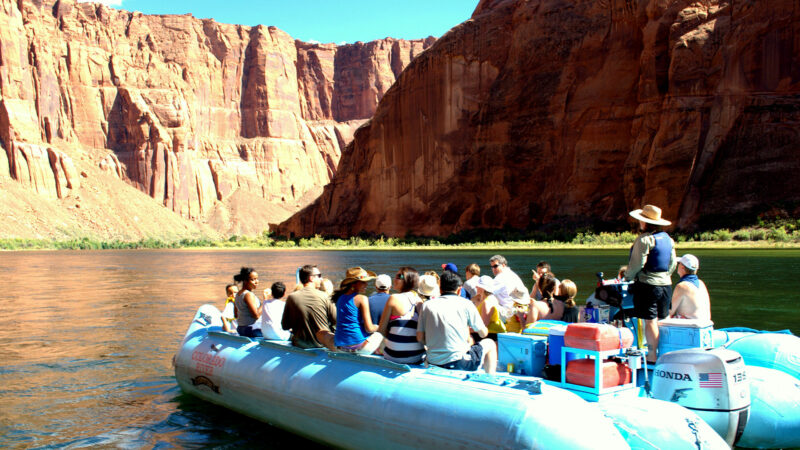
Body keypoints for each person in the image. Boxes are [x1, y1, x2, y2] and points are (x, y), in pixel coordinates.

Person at [624, 204, 677, 363]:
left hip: (648, 285)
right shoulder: (669, 239)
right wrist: (665, 276)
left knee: (650, 320)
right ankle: (666, 355)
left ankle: (652, 356)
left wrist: (627, 277)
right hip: (666, 284)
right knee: (663, 318)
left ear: (645, 222)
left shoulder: (645, 239)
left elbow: (637, 264)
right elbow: (672, 264)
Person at [417, 270, 496, 374]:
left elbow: (420, 338)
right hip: (459, 362)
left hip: (433, 361)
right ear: (459, 290)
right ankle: (490, 377)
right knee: (490, 343)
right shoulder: (467, 304)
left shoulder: (427, 305)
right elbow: (483, 333)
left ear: (440, 289)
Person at [282, 265, 337, 349]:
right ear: (311, 278)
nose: (321, 279)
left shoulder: (292, 297)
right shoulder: (324, 296)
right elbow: (336, 320)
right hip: (321, 345)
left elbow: (285, 325)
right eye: (319, 276)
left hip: (300, 345)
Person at [378, 267, 425, 364]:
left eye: (399, 276)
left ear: (408, 280)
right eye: (396, 275)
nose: (395, 279)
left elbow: (381, 330)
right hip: (416, 357)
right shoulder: (420, 302)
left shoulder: (394, 298)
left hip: (393, 356)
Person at [332, 267, 383, 354]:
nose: (366, 284)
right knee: (379, 335)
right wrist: (379, 326)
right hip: (358, 347)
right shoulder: (362, 299)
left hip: (340, 346)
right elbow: (369, 328)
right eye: (363, 282)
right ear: (353, 284)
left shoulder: (340, 298)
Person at [670, 254, 711, 320]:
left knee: (657, 318)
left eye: (679, 264)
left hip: (692, 327)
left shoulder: (682, 286)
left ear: (682, 267)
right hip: (706, 324)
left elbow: (669, 312)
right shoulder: (701, 283)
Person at [233, 267, 262, 338]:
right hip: (251, 330)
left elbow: (236, 315)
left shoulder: (238, 294)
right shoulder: (248, 294)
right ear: (245, 281)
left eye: (257, 279)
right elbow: (256, 315)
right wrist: (265, 302)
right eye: (253, 279)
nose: (256, 282)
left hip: (240, 329)